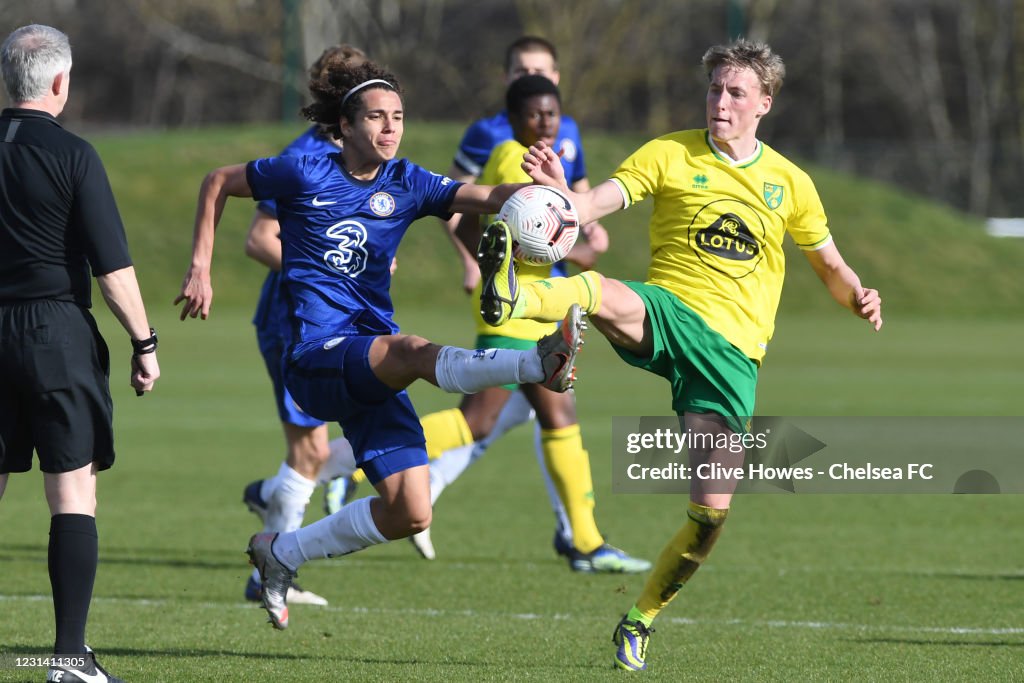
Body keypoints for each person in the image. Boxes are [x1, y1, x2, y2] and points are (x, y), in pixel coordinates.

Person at [478, 38, 883, 671]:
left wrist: (857, 296)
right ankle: (516, 297)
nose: (721, 102)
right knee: (603, 293)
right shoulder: (670, 152)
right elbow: (597, 203)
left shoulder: (791, 184)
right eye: (715, 89)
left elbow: (829, 264)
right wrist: (565, 195)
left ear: (764, 104)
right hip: (669, 310)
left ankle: (639, 619)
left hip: (732, 358)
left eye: (735, 92)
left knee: (707, 519)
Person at [175, 57, 584, 631]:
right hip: (317, 356)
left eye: (398, 117)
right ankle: (537, 362)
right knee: (412, 350)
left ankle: (280, 553)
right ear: (344, 126)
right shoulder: (302, 171)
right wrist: (201, 267)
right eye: (376, 118)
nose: (390, 128)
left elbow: (489, 196)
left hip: (367, 365)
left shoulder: (407, 181)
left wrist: (545, 195)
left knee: (412, 511)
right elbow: (218, 180)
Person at [393, 35, 613, 565]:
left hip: (543, 297)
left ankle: (584, 540)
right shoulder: (505, 151)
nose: (546, 121)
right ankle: (352, 463)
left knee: (527, 418)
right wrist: (485, 264)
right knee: (486, 421)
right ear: (510, 95)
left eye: (551, 109)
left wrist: (585, 234)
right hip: (515, 303)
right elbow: (464, 208)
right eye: (522, 73)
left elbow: (562, 214)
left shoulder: (565, 138)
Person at [0, 24, 160, 683]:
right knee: (72, 491)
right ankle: (67, 659)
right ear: (61, 82)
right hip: (53, 334)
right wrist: (144, 342)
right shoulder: (74, 155)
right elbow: (112, 270)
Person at [239, 44, 369, 609]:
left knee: (327, 445)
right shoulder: (306, 157)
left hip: (338, 321)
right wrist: (329, 267)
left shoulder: (367, 159)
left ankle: (271, 495)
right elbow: (260, 238)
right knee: (310, 450)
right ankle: (271, 571)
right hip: (295, 320)